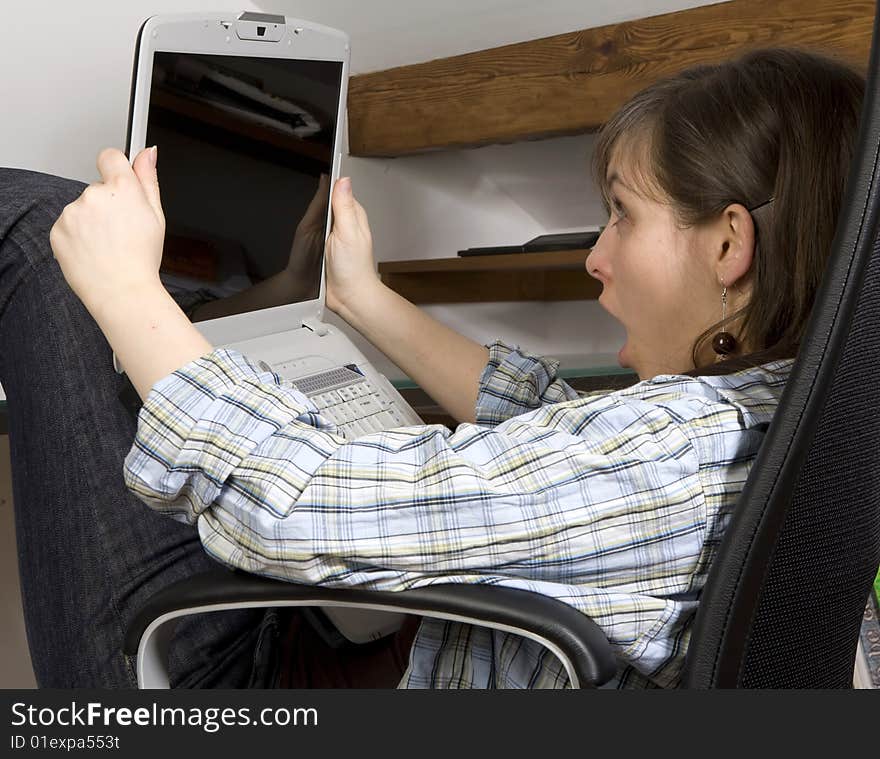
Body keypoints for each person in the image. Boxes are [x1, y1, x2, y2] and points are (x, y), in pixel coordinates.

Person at [0, 46, 863, 689]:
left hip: (246, 686)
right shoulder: (806, 415)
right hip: (359, 644)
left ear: (727, 243)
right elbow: (552, 425)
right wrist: (362, 301)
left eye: (621, 216)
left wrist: (126, 292)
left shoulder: (671, 451)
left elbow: (296, 502)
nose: (596, 257)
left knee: (38, 229)